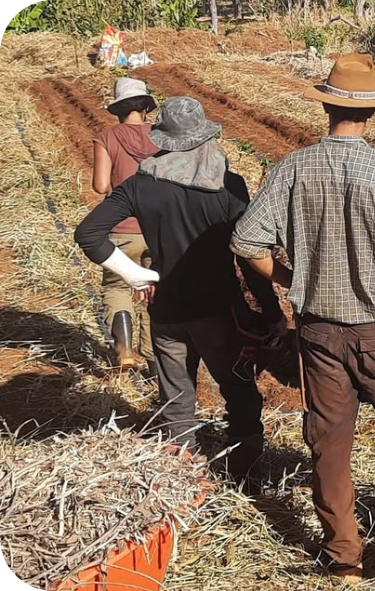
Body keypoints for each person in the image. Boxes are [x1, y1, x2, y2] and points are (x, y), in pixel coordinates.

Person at [230, 54, 375, 582]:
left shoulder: (292, 168)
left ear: (327, 106)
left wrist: (290, 279)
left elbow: (246, 241)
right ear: (372, 113)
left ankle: (342, 555)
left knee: (329, 444)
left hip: (319, 333)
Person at [75, 97, 284, 484]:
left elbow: (87, 234)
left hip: (166, 309)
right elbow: (249, 255)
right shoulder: (228, 186)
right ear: (203, 137)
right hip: (220, 311)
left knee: (175, 398)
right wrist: (271, 312)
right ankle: (245, 475)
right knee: (239, 390)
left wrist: (137, 274)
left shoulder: (141, 185)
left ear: (164, 141)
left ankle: (180, 480)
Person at [93, 78, 160, 372]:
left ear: (118, 109)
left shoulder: (107, 136)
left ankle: (125, 353)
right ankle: (154, 356)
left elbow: (100, 185)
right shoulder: (163, 137)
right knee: (154, 288)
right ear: (146, 108)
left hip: (122, 227)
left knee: (118, 286)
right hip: (159, 227)